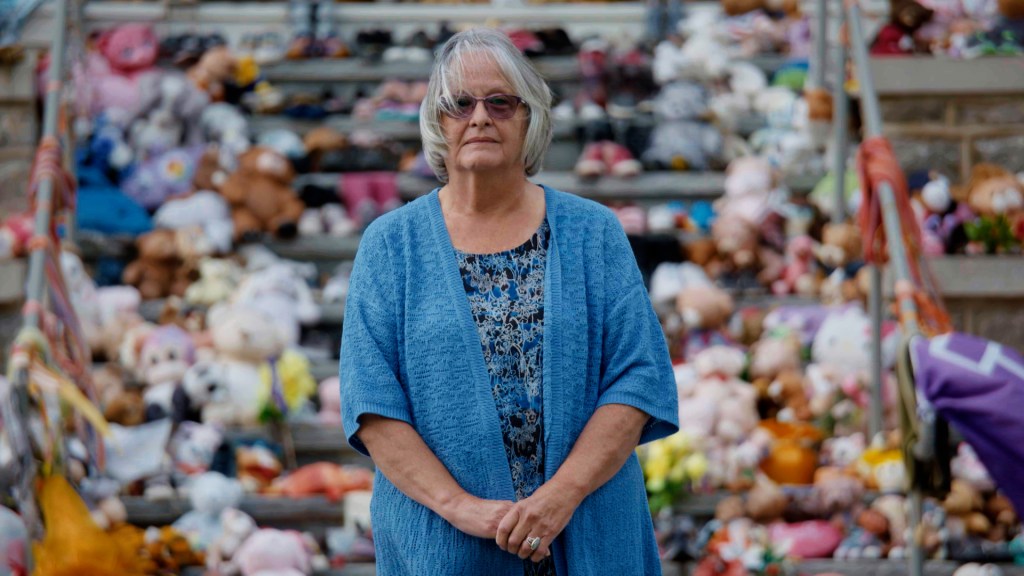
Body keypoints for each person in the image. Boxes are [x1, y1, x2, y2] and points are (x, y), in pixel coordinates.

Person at [340, 27, 679, 575]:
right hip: (445, 545)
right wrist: (463, 509)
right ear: (436, 121)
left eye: (500, 102)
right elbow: (373, 405)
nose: (479, 118)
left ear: (530, 120)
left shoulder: (594, 233)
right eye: (459, 104)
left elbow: (638, 378)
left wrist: (558, 498)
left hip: (587, 529)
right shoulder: (390, 244)